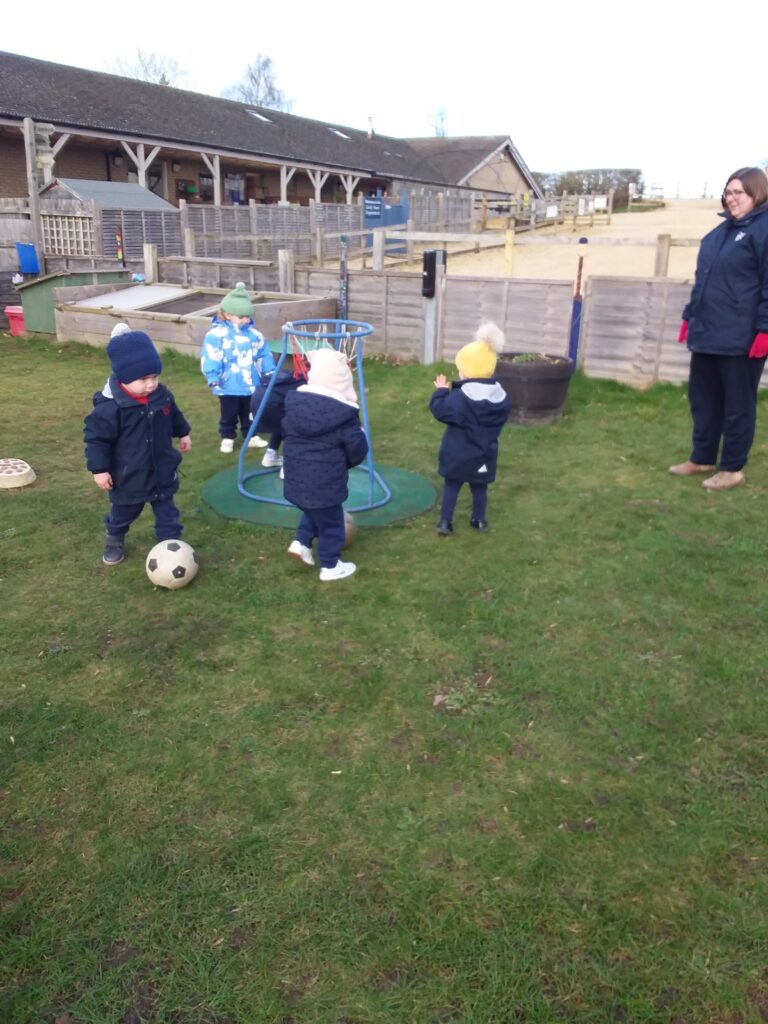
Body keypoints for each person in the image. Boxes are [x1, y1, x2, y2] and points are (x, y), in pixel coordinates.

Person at [670, 166, 768, 491]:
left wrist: (764, 330)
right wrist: (689, 316)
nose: (732, 197)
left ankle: (732, 468)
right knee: (704, 400)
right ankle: (702, 458)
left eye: (739, 192)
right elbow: (703, 281)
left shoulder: (763, 230)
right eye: (728, 192)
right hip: (707, 332)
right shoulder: (717, 235)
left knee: (737, 405)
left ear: (758, 193)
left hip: (742, 338)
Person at [84, 326, 191, 566]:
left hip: (161, 468)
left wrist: (183, 432)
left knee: (168, 514)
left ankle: (171, 547)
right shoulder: (110, 408)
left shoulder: (161, 395)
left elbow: (173, 414)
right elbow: (96, 440)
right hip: (128, 475)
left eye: (154, 377)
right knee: (123, 514)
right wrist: (99, 470)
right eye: (143, 379)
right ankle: (114, 538)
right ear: (123, 377)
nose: (151, 384)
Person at [282, 347, 368, 582]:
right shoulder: (345, 414)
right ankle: (331, 565)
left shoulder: (295, 406)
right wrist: (351, 458)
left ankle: (301, 543)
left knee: (313, 509)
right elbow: (357, 449)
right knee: (332, 523)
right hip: (325, 482)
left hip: (295, 479)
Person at [429, 321, 510, 535]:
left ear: (468, 372)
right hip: (484, 454)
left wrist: (440, 392)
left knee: (452, 486)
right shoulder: (500, 397)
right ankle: (479, 520)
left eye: (461, 369)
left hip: (457, 454)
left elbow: (440, 411)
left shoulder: (460, 399)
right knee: (479, 487)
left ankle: (445, 522)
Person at [200, 281, 275, 455]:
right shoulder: (216, 335)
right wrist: (212, 376)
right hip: (228, 384)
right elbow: (212, 356)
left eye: (247, 317)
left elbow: (263, 354)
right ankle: (227, 436)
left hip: (251, 383)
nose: (245, 320)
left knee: (250, 411)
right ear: (227, 314)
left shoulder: (255, 335)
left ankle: (251, 435)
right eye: (241, 317)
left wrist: (269, 372)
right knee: (229, 412)